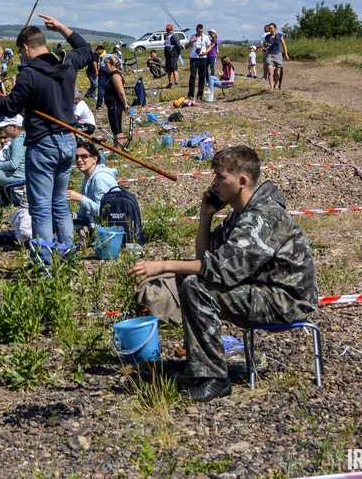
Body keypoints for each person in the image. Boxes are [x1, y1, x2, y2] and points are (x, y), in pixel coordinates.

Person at [128, 146, 317, 402]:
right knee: (189, 278)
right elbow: (204, 259)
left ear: (242, 181)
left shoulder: (262, 216)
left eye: (220, 177)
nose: (214, 183)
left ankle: (214, 379)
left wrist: (162, 265)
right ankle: (199, 364)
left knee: (196, 286)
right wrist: (206, 215)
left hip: (286, 301)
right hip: (264, 290)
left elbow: (219, 269)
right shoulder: (240, 214)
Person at [0, 14, 93, 270]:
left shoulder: (29, 74)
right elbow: (86, 49)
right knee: (60, 203)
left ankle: (45, 266)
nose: (22, 59)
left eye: (21, 55)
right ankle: (66, 259)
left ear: (25, 48)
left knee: (42, 207)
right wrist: (62, 28)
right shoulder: (66, 62)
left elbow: (11, 106)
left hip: (42, 145)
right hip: (67, 141)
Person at [66, 140, 118, 241]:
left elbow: (104, 211)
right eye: (76, 157)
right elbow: (84, 213)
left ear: (95, 159)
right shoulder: (87, 179)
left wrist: (81, 198)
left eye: (84, 156)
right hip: (93, 221)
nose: (79, 160)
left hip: (107, 227)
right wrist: (68, 216)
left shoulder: (100, 179)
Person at [0, 114, 26, 199]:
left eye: (5, 127)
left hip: (18, 176)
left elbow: (13, 164)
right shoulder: (24, 137)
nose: (4, 130)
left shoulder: (18, 141)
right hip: (23, 175)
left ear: (14, 127)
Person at [102, 55, 130, 146]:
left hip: (115, 104)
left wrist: (125, 104)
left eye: (107, 64)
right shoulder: (111, 75)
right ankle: (116, 147)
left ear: (113, 64)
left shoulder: (115, 75)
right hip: (111, 105)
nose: (105, 66)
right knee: (114, 127)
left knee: (117, 127)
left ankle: (119, 149)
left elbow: (121, 92)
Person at [186, 24, 212, 102]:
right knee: (192, 76)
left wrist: (205, 52)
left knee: (202, 77)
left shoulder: (206, 37)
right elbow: (186, 47)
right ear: (196, 30)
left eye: (201, 31)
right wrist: (191, 41)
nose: (199, 33)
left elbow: (210, 46)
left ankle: (199, 95)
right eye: (198, 31)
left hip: (203, 58)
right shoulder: (191, 36)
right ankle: (191, 95)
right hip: (193, 58)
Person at [266, 22, 288, 91]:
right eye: (269, 29)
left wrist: (286, 54)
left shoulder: (279, 35)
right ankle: (271, 87)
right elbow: (264, 44)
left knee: (278, 73)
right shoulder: (267, 37)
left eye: (271, 28)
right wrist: (266, 45)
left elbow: (284, 44)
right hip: (270, 55)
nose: (270, 30)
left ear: (275, 28)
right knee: (270, 72)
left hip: (278, 55)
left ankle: (275, 84)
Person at [164, 24, 181, 88]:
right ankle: (170, 83)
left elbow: (178, 46)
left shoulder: (174, 36)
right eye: (167, 30)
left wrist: (178, 53)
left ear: (172, 30)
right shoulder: (166, 37)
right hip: (168, 55)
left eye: (169, 30)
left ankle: (176, 82)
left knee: (174, 69)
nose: (168, 31)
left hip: (173, 55)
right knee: (169, 70)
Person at [94, 44, 108, 110]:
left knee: (101, 88)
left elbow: (98, 63)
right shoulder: (103, 54)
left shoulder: (98, 55)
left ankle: (99, 105)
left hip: (102, 69)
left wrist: (97, 70)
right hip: (108, 68)